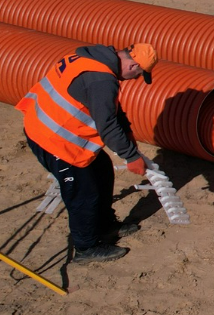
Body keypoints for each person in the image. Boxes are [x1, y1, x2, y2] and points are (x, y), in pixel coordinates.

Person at [18, 43, 158, 263]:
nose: (134, 79)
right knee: (84, 193)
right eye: (138, 74)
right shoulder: (101, 79)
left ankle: (104, 225)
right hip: (54, 139)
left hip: (54, 127)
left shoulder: (94, 59)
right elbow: (107, 125)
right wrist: (131, 157)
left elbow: (110, 107)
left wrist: (128, 133)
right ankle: (86, 248)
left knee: (102, 171)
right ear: (132, 65)